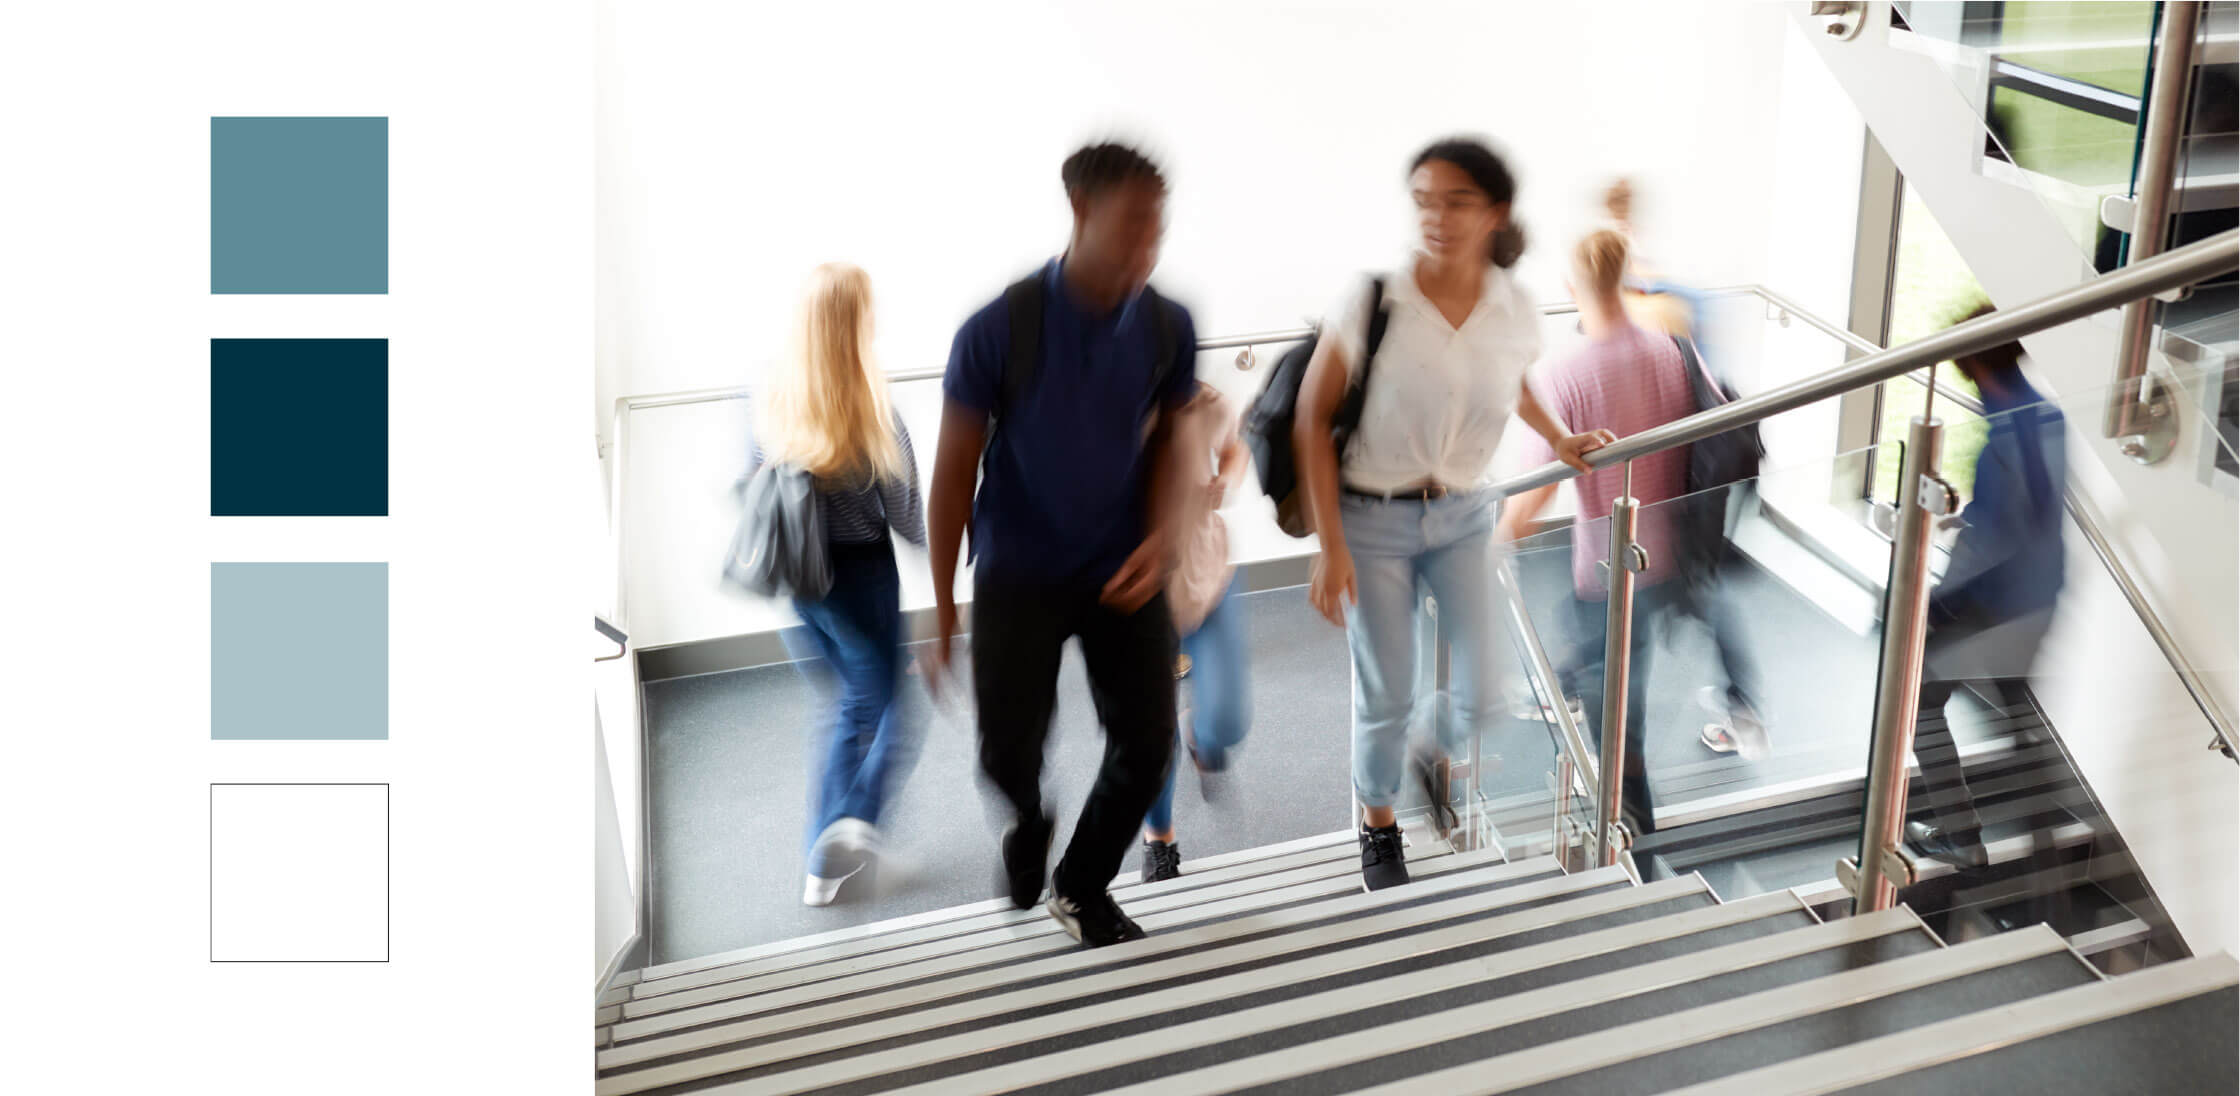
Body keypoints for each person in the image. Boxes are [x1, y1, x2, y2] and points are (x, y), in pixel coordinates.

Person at [1296, 136, 1612, 892]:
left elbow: (1514, 380)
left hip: (1464, 511)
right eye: (1424, 200)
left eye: (1457, 201)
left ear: (1494, 211)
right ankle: (1377, 823)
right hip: (1372, 517)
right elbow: (1311, 418)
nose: (1436, 216)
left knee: (1486, 689)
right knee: (1388, 689)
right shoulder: (1377, 299)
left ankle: (1426, 749)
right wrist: (1330, 544)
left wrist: (1559, 435)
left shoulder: (1513, 306)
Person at [927, 141, 1196, 946]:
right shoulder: (999, 328)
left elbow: (1176, 443)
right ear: (1079, 211)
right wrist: (942, 603)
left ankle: (1081, 885)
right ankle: (1027, 818)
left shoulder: (1165, 325)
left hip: (1122, 566)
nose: (1147, 247)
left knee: (1149, 744)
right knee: (1007, 749)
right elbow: (950, 474)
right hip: (1020, 571)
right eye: (1132, 227)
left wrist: (1163, 539)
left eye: (1158, 229)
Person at [1497, 228, 1767, 837]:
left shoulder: (1564, 373)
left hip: (1608, 572)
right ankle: (1628, 795)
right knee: (1612, 674)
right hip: (1673, 555)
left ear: (1571, 288)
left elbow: (1536, 489)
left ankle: (1628, 824)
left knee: (1619, 710)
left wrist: (1494, 539)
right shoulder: (1674, 349)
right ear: (1625, 280)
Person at [747, 262, 927, 907]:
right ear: (858, 324)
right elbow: (907, 518)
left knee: (844, 710)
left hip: (800, 584)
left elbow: (754, 487)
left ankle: (821, 873)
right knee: (890, 714)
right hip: (860, 580)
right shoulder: (872, 408)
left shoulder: (770, 399)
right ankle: (848, 827)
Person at [1905, 301, 2067, 868]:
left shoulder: (2003, 442)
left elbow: (1994, 543)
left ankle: (1964, 839)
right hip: (2042, 598)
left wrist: (1934, 606)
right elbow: (2030, 512)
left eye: (1965, 371)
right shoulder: (2048, 416)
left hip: (1997, 606)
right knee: (2021, 714)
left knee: (1919, 702)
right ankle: (2045, 854)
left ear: (1978, 367)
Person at [1141, 381, 1253, 882]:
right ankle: (1159, 837)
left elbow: (1235, 445)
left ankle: (1203, 739)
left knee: (1230, 720)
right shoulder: (1089, 408)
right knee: (1147, 735)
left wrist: (1223, 479)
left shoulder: (1198, 398)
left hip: (1207, 579)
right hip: (1138, 599)